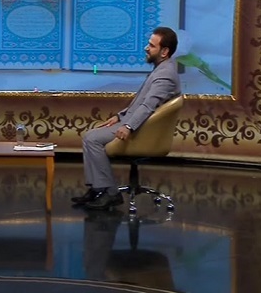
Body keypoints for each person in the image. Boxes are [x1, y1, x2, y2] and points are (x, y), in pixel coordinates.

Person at [72, 26, 181, 210]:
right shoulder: (162, 69)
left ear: (164, 51)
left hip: (142, 130)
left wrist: (128, 126)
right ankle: (97, 189)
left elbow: (148, 106)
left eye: (151, 45)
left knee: (92, 139)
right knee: (91, 135)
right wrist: (119, 116)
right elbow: (141, 102)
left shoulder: (165, 75)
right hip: (135, 123)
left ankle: (110, 193)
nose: (146, 48)